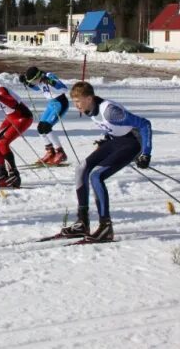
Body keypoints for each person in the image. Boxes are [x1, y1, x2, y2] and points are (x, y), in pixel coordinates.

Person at [62, 81, 152, 242]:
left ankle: (106, 227)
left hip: (133, 143)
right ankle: (83, 222)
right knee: (81, 168)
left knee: (96, 175)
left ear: (89, 98)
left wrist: (146, 153)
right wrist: (106, 139)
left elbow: (145, 124)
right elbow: (111, 128)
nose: (76, 105)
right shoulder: (90, 109)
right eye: (74, 101)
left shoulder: (110, 112)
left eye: (78, 101)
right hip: (116, 141)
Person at [19, 66, 69, 165]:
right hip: (51, 104)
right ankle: (50, 152)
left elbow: (64, 89)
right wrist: (27, 83)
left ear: (38, 76)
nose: (34, 83)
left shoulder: (49, 76)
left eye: (33, 81)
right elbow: (38, 89)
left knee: (46, 127)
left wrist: (51, 82)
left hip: (60, 103)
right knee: (40, 128)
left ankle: (60, 152)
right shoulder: (39, 81)